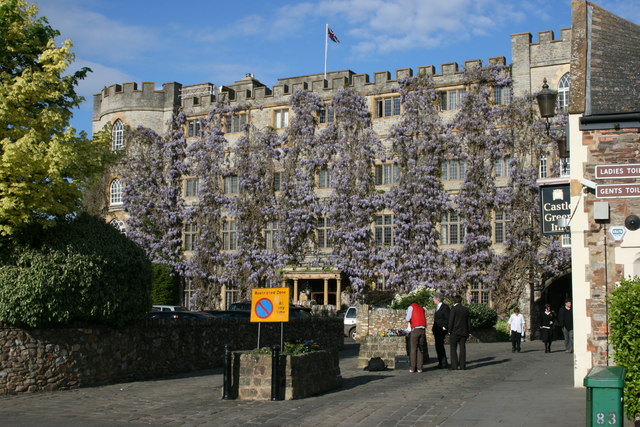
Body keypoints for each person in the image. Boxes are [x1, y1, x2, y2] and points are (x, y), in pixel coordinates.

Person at [447, 294, 470, 370]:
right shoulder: (466, 309)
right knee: (462, 348)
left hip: (455, 332)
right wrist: (469, 331)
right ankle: (462, 366)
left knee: (453, 348)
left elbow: (451, 320)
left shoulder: (454, 309)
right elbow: (468, 322)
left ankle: (454, 365)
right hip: (464, 332)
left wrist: (449, 331)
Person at [405, 301, 427, 373]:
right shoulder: (421, 308)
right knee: (420, 348)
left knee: (413, 348)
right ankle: (420, 368)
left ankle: (412, 367)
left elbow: (407, 319)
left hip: (415, 329)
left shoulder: (411, 307)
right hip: (423, 330)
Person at [432, 292, 450, 369]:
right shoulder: (437, 307)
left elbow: (448, 318)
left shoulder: (445, 307)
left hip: (441, 330)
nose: (433, 300)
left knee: (440, 346)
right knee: (438, 346)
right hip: (436, 329)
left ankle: (443, 363)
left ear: (437, 299)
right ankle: (441, 362)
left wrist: (444, 327)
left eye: (434, 299)